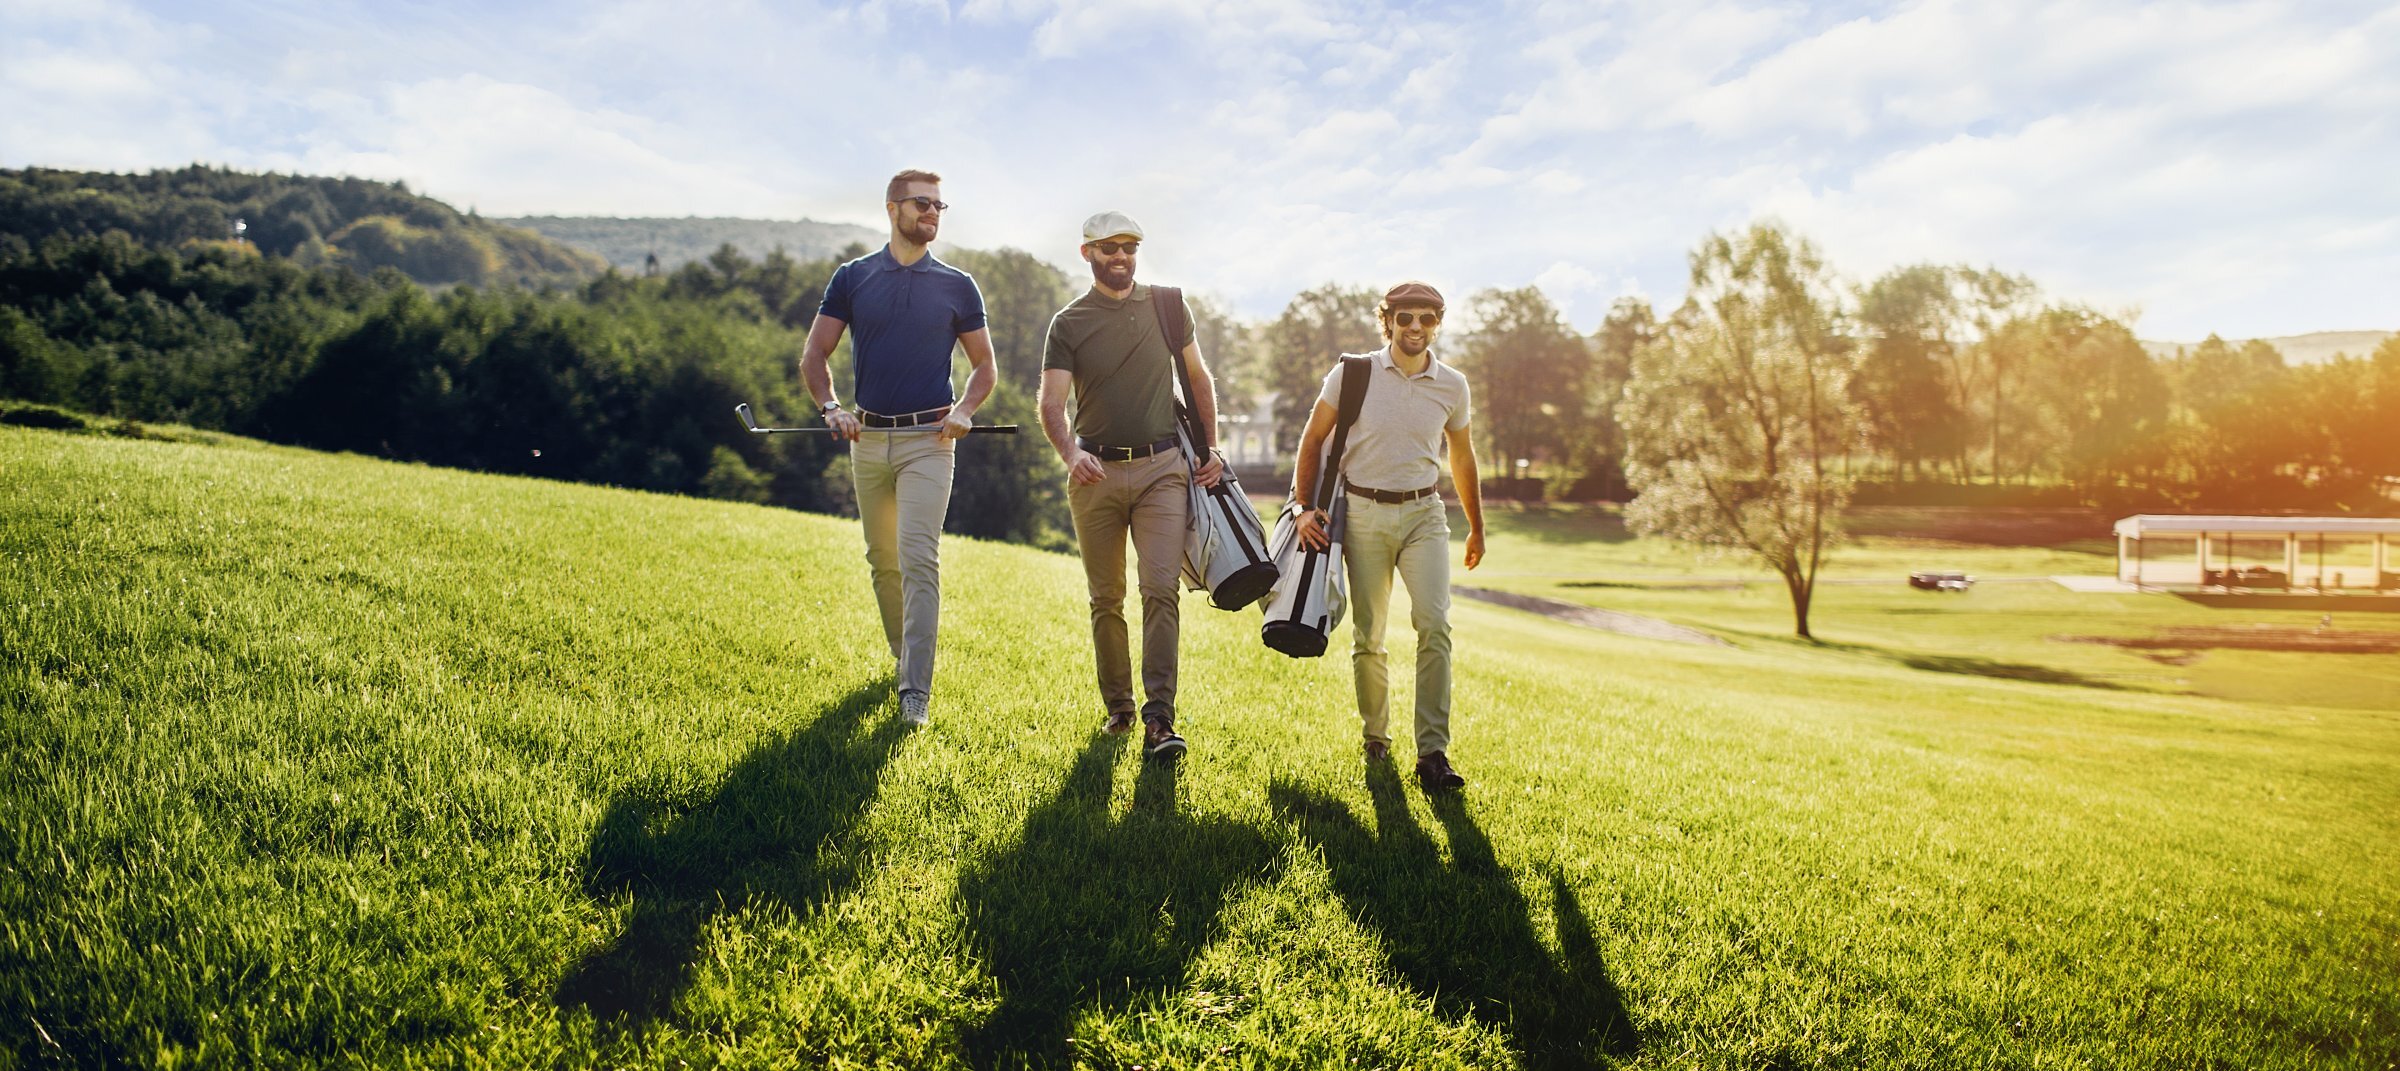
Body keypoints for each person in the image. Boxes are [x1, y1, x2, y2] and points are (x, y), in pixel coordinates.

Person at [797, 168, 997, 727]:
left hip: (930, 441)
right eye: (922, 203)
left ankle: (915, 692)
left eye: (939, 205)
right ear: (893, 209)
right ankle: (901, 658)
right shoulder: (853, 278)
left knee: (917, 558)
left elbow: (985, 368)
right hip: (867, 438)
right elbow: (815, 357)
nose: (932, 213)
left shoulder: (958, 285)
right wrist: (831, 408)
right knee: (882, 561)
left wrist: (963, 412)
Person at [1037, 210, 1227, 759]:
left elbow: (1197, 377)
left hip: (1162, 471)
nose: (1121, 256)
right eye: (1109, 247)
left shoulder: (1167, 305)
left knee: (1160, 590)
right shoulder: (1068, 323)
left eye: (1129, 247)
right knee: (1106, 598)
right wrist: (1070, 453)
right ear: (1087, 253)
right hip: (1094, 473)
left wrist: (1210, 447)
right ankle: (1118, 708)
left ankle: (1159, 719)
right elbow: (1051, 404)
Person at [1291, 281, 1485, 790]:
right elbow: (1312, 438)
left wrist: (1476, 528)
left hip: (1425, 514)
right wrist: (1303, 507)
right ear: (1389, 322)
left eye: (1426, 318)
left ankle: (1433, 753)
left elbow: (1462, 456)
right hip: (1362, 514)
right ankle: (1376, 738)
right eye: (1405, 318)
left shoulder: (1453, 385)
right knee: (1369, 634)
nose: (1415, 327)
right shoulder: (1352, 374)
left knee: (1435, 625)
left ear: (1437, 323)